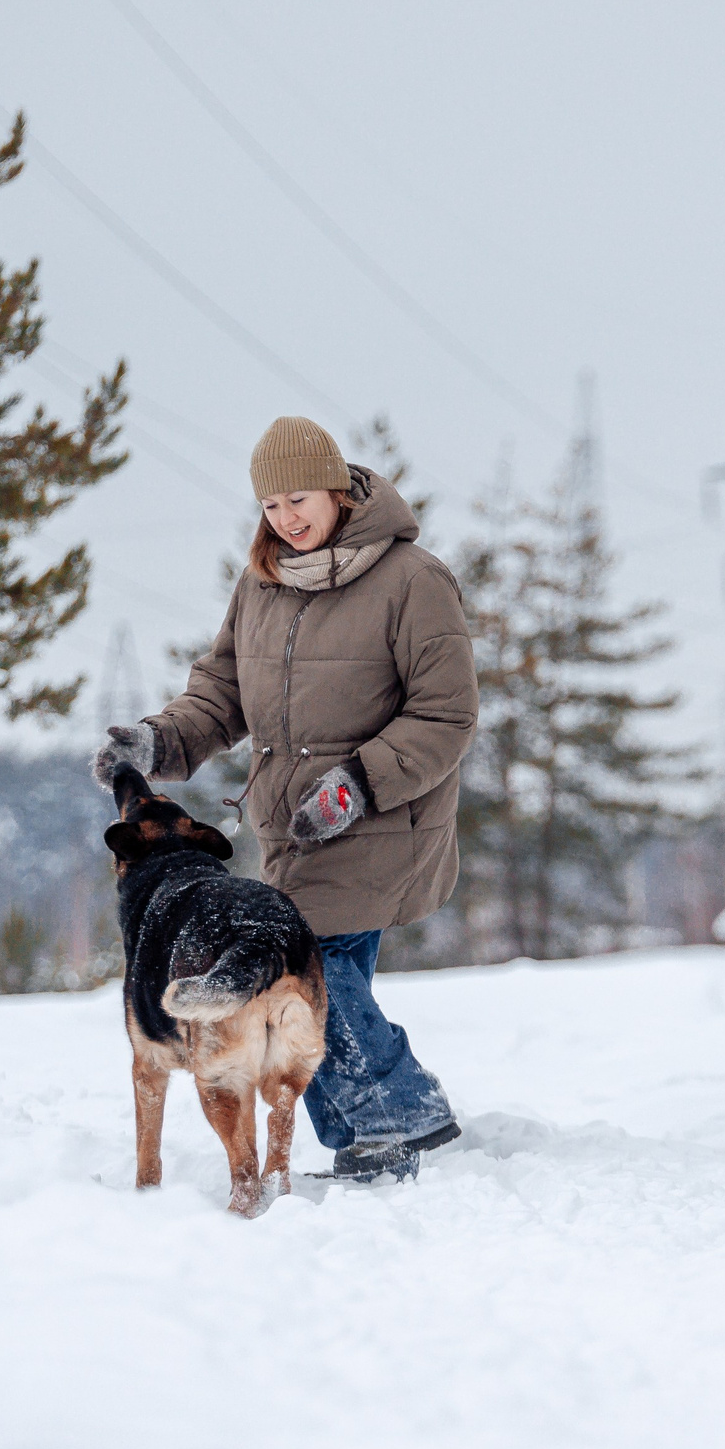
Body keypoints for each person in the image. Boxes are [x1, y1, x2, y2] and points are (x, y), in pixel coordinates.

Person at [93, 415, 474, 1182]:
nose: (287, 518)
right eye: (271, 506)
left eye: (299, 498)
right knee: (310, 976)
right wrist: (158, 743)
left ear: (337, 489)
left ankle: (399, 1114)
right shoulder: (262, 582)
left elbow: (446, 714)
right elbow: (222, 693)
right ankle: (375, 1125)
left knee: (314, 970)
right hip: (294, 830)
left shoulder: (412, 580)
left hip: (381, 820)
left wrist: (358, 784)